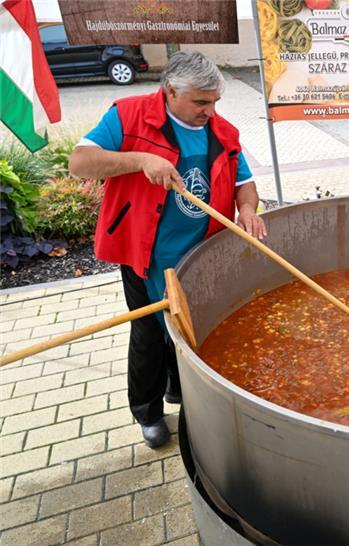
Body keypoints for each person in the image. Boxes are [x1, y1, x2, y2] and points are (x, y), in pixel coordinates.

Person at [69, 51, 267, 447]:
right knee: (149, 333)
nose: (209, 111)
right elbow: (80, 162)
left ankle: (181, 390)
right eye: (200, 102)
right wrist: (142, 159)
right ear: (171, 90)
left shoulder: (222, 131)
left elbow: (244, 181)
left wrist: (247, 209)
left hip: (200, 252)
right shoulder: (128, 115)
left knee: (192, 328)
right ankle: (148, 412)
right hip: (146, 253)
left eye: (214, 102)